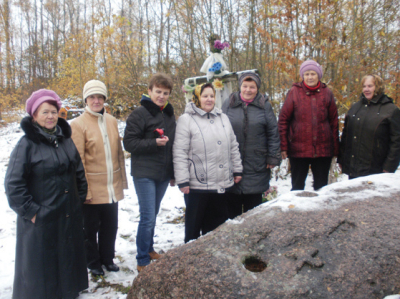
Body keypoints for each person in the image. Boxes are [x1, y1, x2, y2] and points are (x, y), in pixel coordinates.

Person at [4, 89, 88, 299]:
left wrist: (79, 199)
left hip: (67, 213)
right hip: (41, 217)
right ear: (34, 115)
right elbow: (13, 185)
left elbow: (78, 171)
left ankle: (68, 293)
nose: (50, 116)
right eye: (45, 112)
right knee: (42, 266)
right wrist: (32, 212)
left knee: (66, 257)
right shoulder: (26, 145)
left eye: (53, 112)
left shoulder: (65, 140)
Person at [71, 80, 128, 276]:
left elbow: (118, 154)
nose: (96, 101)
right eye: (92, 97)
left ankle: (107, 258)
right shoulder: (78, 125)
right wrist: (84, 189)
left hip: (111, 185)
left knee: (110, 226)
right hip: (92, 188)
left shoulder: (111, 121)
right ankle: (93, 262)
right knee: (90, 229)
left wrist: (121, 182)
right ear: (85, 99)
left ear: (104, 99)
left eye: (100, 97)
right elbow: (79, 161)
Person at [174, 83, 243, 243]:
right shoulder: (186, 120)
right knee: (193, 231)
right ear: (197, 97)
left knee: (216, 230)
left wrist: (237, 169)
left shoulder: (223, 117)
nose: (209, 99)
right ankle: (191, 261)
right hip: (197, 185)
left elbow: (233, 145)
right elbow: (180, 151)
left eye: (212, 96)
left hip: (221, 184)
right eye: (205, 96)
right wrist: (182, 180)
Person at [123, 73, 176, 272]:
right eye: (158, 92)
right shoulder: (139, 114)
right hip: (144, 173)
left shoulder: (169, 114)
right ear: (149, 91)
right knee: (147, 216)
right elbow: (129, 143)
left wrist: (173, 173)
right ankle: (142, 258)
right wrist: (153, 143)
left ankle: (150, 248)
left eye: (165, 93)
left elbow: (173, 146)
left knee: (153, 213)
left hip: (162, 174)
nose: (161, 96)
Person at [222, 72, 281, 219]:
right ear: (240, 86)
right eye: (245, 86)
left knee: (253, 211)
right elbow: (219, 129)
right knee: (232, 209)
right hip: (232, 162)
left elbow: (273, 131)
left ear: (257, 88)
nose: (248, 90)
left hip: (257, 162)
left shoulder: (264, 105)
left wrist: (273, 156)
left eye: (252, 87)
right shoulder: (229, 104)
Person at [278, 60, 339, 190]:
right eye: (306, 74)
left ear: (318, 75)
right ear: (302, 76)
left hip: (323, 150)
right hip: (298, 149)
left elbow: (334, 121)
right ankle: (296, 209)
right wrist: (283, 146)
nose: (310, 77)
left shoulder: (327, 92)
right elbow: (283, 120)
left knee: (322, 188)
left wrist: (335, 147)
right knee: (297, 187)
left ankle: (320, 210)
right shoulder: (294, 92)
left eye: (313, 74)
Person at [338, 74, 400, 178]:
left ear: (378, 87)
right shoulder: (355, 108)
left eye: (370, 86)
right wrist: (342, 159)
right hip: (354, 168)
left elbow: (396, 141)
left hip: (377, 169)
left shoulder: (391, 110)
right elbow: (346, 136)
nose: (366, 89)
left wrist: (389, 166)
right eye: (364, 86)